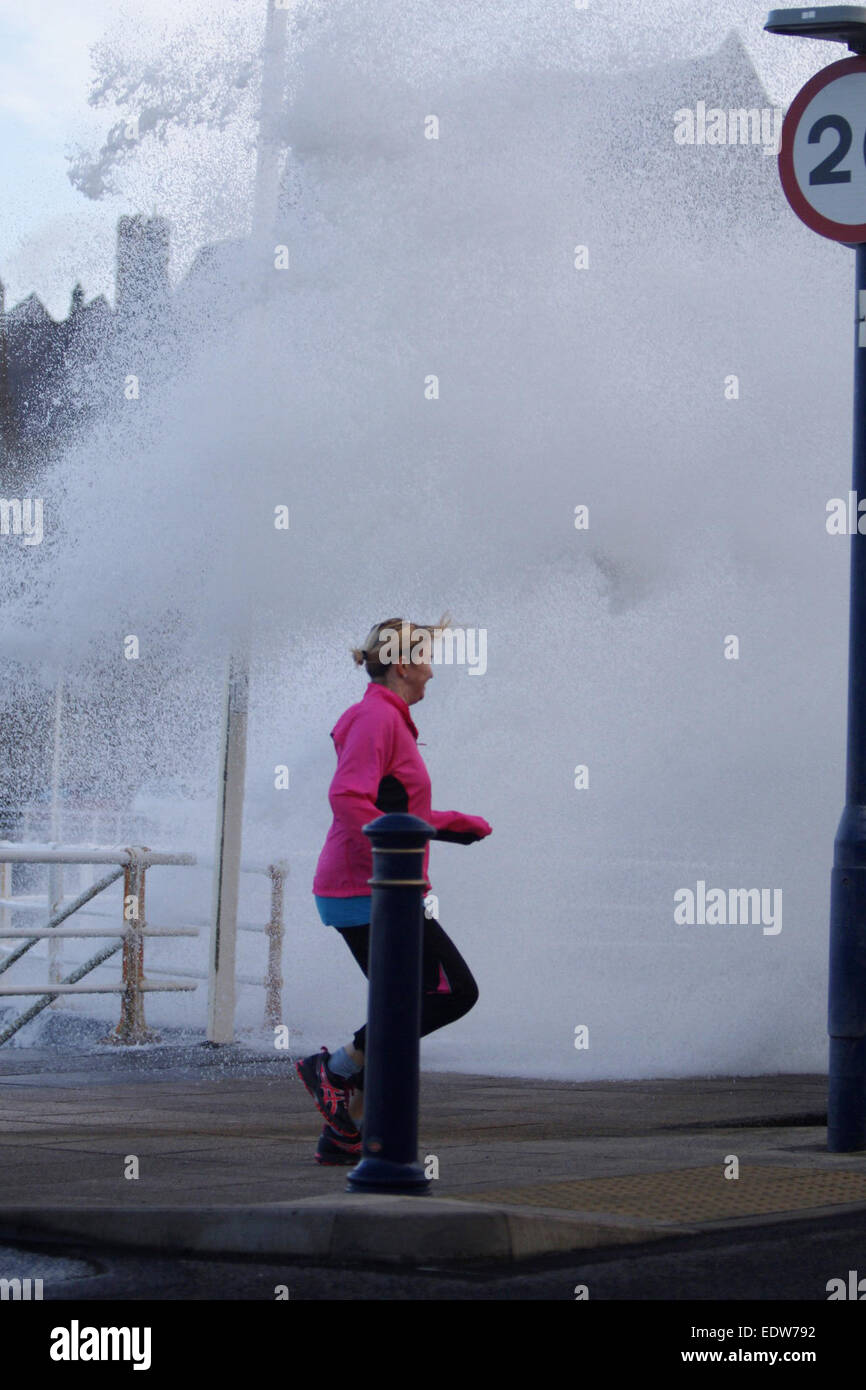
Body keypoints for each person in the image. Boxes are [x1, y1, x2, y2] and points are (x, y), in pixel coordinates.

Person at [295, 615, 492, 1165]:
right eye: (426, 658)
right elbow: (348, 797)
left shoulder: (389, 720)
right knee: (450, 992)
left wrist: (451, 824)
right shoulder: (375, 719)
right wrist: (398, 853)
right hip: (368, 889)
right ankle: (333, 1069)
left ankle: (345, 1135)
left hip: (377, 888)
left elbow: (398, 808)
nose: (432, 672)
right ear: (402, 664)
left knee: (404, 1007)